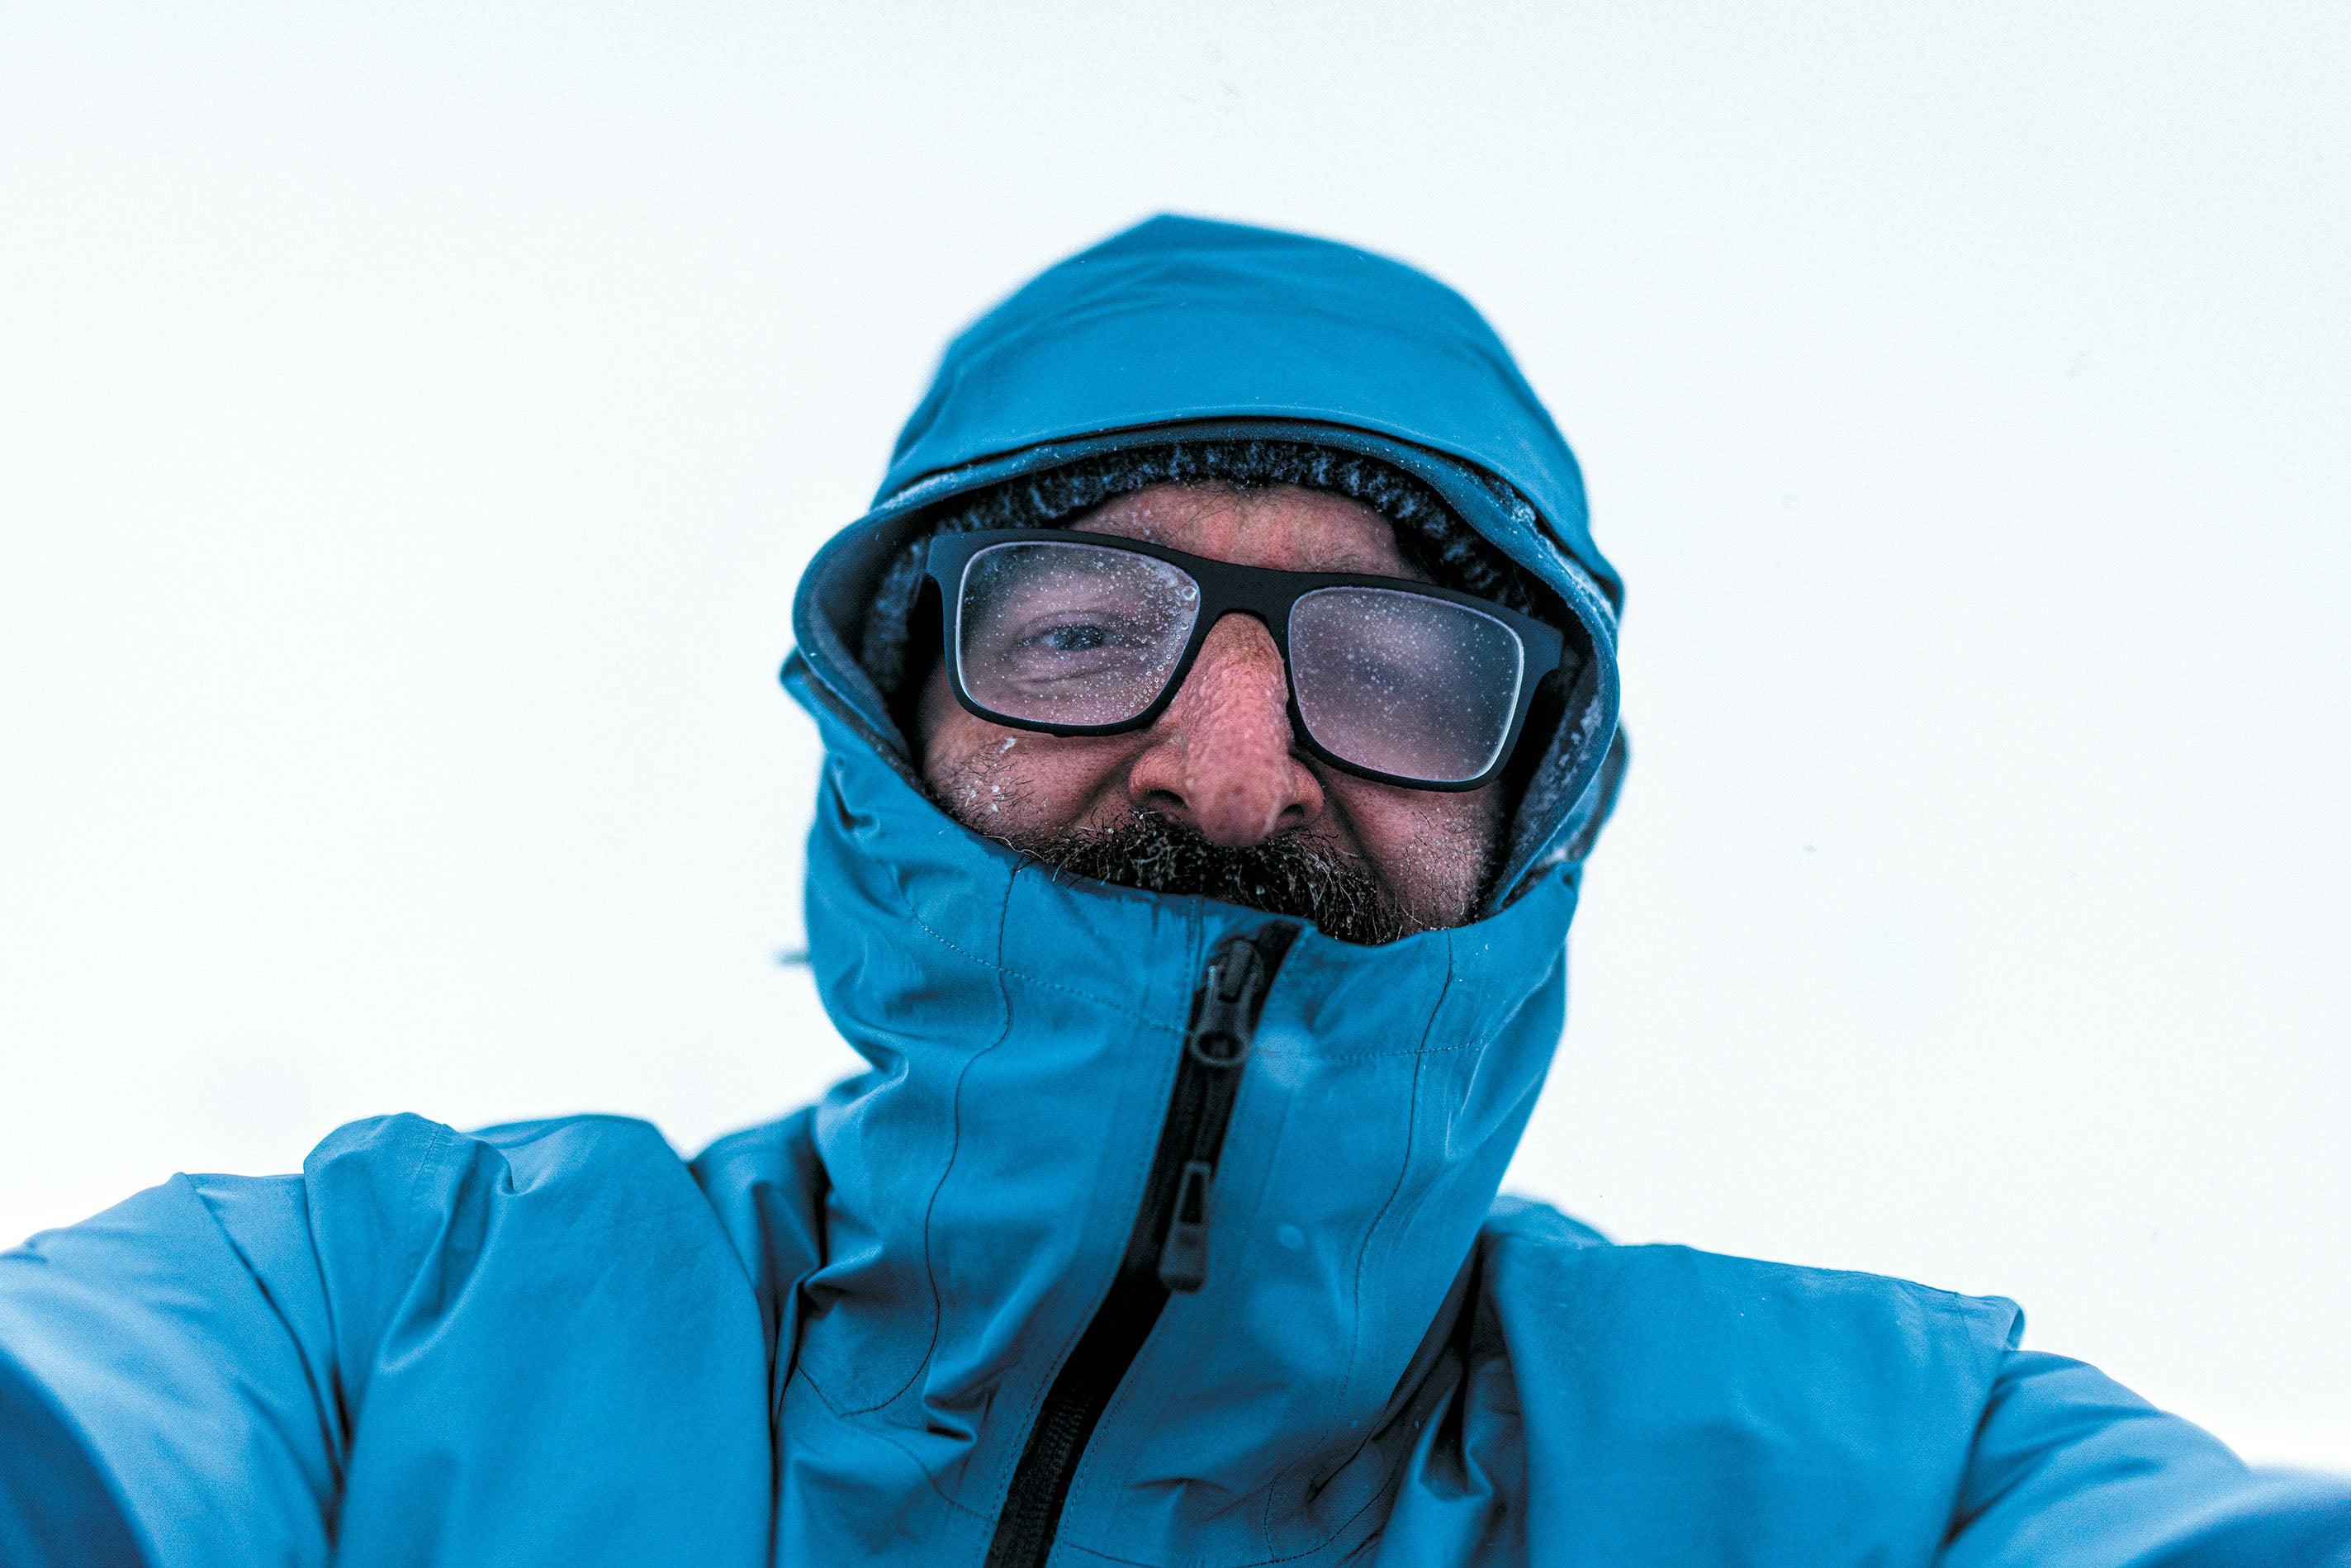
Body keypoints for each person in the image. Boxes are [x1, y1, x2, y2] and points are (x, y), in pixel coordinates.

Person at [1, 216, 2343, 1568]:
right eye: (1079, 629)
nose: (1231, 770)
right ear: (891, 738)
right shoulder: (353, 1343)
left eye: (1399, 667)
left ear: (1534, 814)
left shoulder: (1890, 1478)